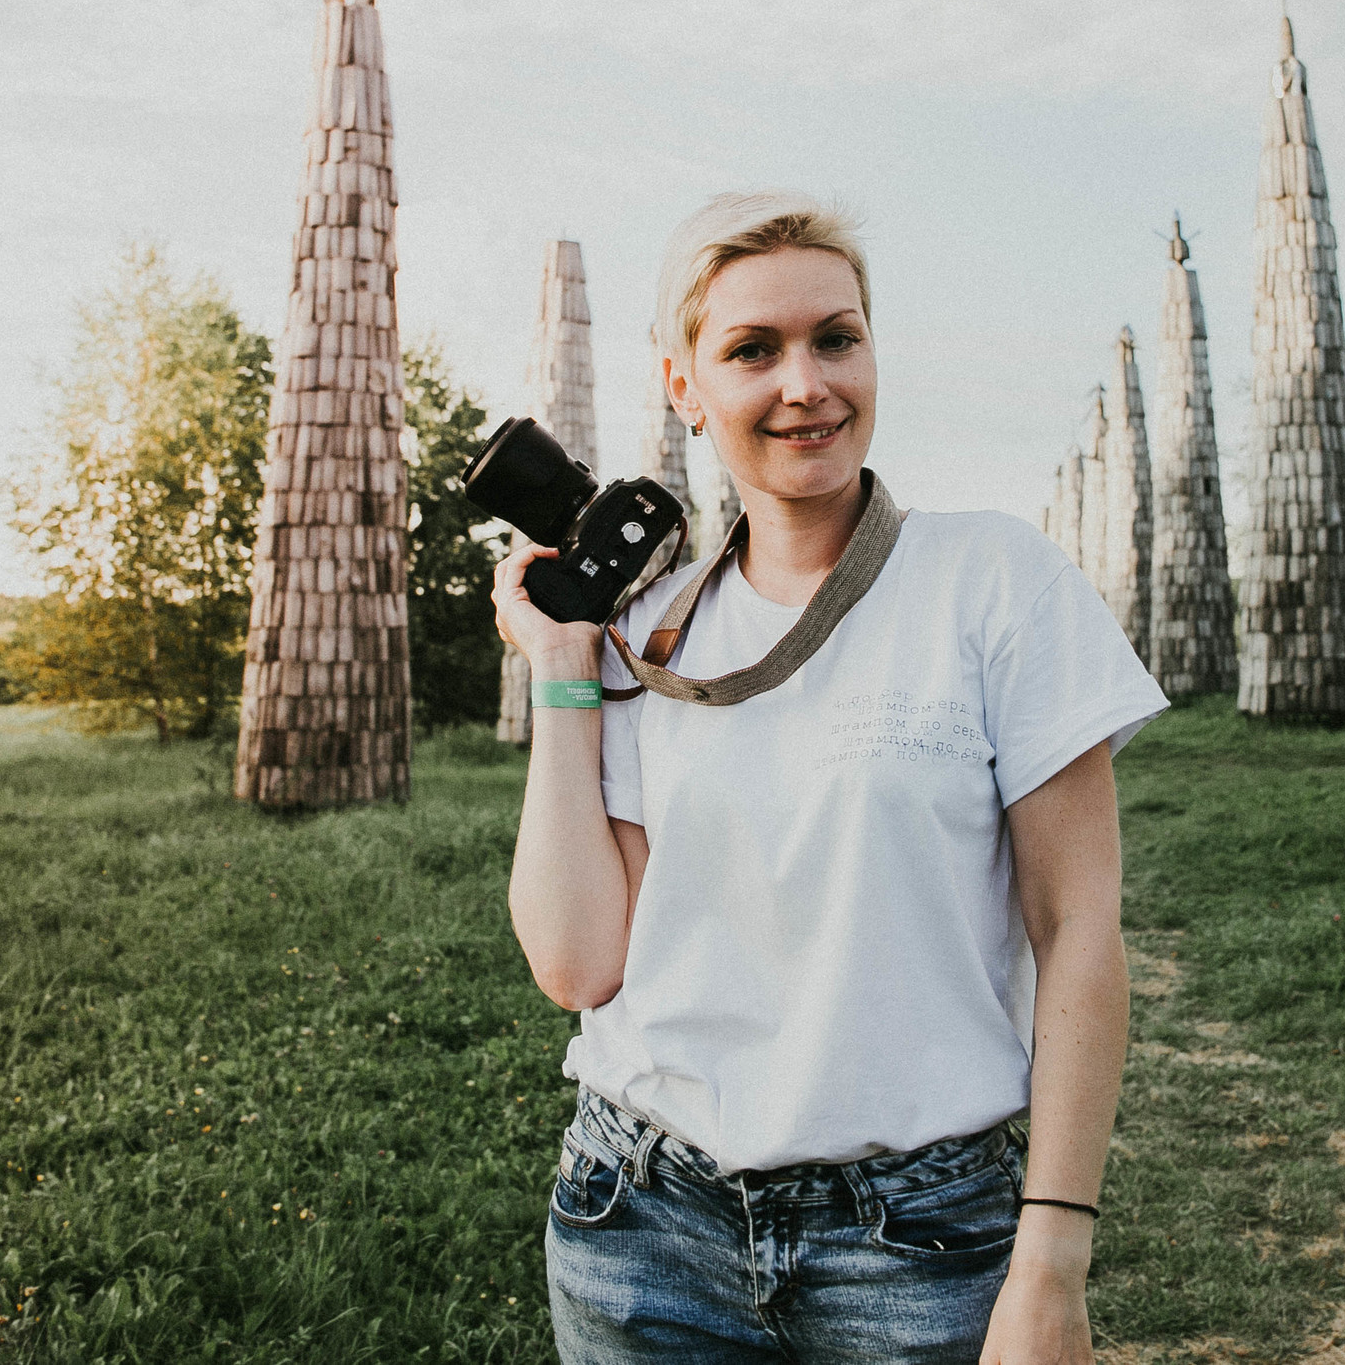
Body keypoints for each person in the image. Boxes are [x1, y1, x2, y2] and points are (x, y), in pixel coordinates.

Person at [495, 191, 1166, 1363]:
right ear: (683, 387)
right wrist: (563, 669)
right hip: (641, 1221)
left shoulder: (992, 582)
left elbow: (1081, 931)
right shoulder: (648, 630)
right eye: (752, 349)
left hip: (913, 1247)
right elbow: (577, 961)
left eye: (835, 338)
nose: (805, 383)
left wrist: (1051, 1259)